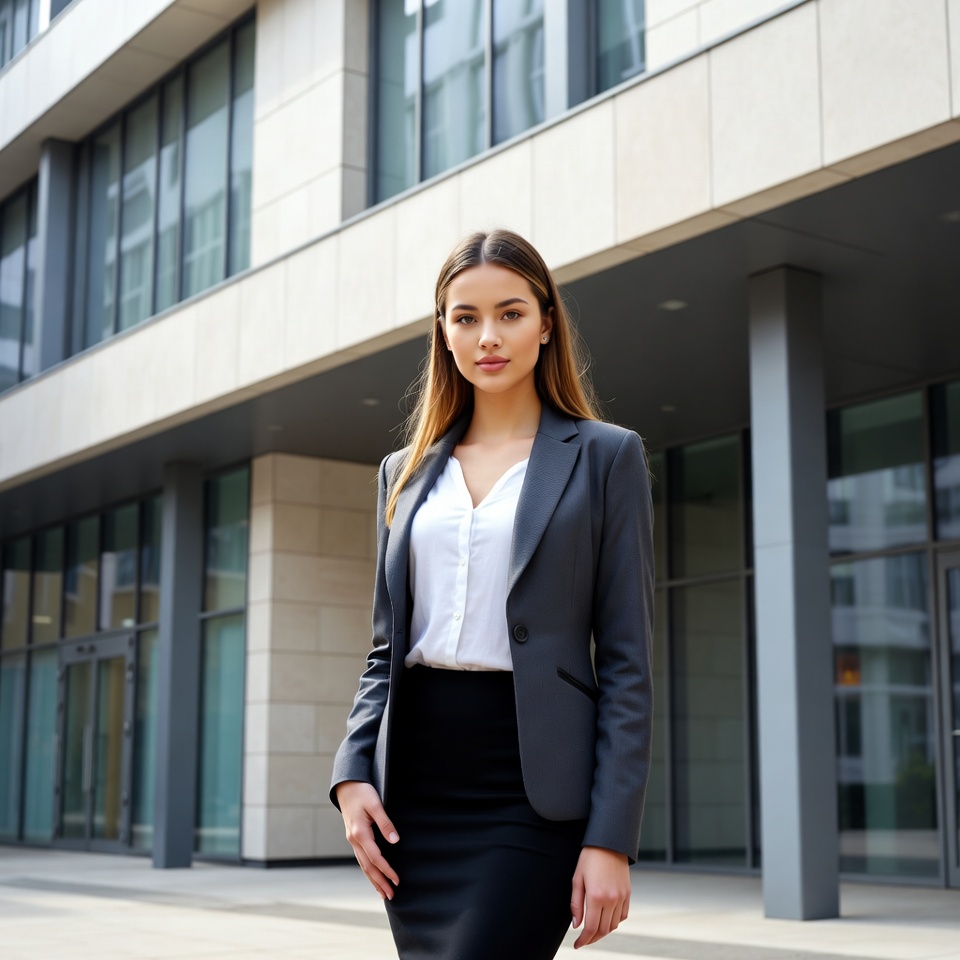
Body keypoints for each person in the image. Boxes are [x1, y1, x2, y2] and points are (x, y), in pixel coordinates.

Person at [330, 229, 654, 959]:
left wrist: (612, 839)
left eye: (510, 313)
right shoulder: (402, 473)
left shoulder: (606, 457)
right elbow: (385, 648)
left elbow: (628, 663)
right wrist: (351, 774)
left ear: (546, 322)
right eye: (465, 317)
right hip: (415, 792)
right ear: (443, 333)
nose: (488, 337)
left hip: (531, 788)